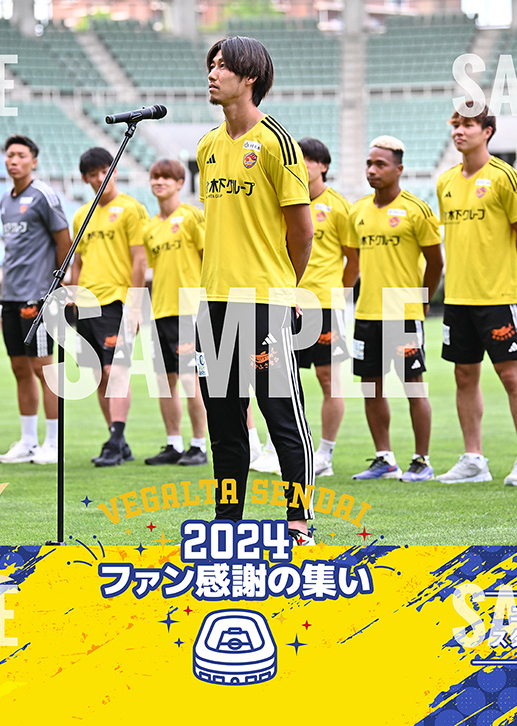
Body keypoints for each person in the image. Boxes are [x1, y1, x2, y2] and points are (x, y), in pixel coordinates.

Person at [197, 36, 315, 545]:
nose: (212, 73)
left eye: (223, 66)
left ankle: (299, 523)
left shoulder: (276, 143)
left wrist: (284, 289)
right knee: (224, 424)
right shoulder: (206, 146)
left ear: (250, 78)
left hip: (265, 302)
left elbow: (302, 231)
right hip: (213, 304)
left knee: (282, 417)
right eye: (211, 64)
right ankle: (227, 523)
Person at [436, 104, 517, 485]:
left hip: (498, 296)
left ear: (488, 131)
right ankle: (473, 459)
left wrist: (511, 275)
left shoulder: (506, 178)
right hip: (458, 298)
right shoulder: (445, 182)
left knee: (511, 375)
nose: (459, 131)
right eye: (455, 125)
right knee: (464, 376)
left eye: (468, 125)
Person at [250, 137, 357, 478]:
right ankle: (275, 449)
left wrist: (337, 294)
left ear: (323, 166)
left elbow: (353, 259)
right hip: (283, 302)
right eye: (298, 159)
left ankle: (325, 453)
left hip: (323, 305)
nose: (303, 165)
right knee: (277, 379)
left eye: (309, 160)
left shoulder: (338, 206)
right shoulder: (281, 200)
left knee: (328, 379)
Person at [347, 136, 443, 481]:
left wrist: (422, 300)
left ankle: (421, 460)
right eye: (369, 164)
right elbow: (353, 261)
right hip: (367, 313)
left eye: (380, 164)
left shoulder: (417, 210)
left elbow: (436, 263)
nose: (372, 170)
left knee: (413, 386)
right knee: (370, 387)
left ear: (399, 169)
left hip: (402, 312)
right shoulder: (357, 211)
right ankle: (384, 459)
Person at [69, 147, 148, 467]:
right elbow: (77, 261)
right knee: (97, 376)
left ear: (114, 172)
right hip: (87, 304)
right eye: (93, 174)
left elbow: (140, 260)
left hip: (117, 301)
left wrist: (136, 305)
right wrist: (73, 295)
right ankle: (118, 441)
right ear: (85, 179)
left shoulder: (131, 209)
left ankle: (115, 440)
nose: (100, 178)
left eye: (105, 171)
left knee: (114, 371)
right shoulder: (81, 214)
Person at [0, 135, 72, 466]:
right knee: (19, 368)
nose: (14, 160)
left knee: (44, 368)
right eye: (10, 155)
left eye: (21, 155)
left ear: (33, 161)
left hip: (37, 295)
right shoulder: (5, 199)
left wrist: (57, 285)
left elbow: (64, 240)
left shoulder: (43, 195)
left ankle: (53, 443)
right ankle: (28, 440)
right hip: (9, 295)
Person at [142, 158, 209, 467]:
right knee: (164, 381)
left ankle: (199, 445)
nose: (159, 182)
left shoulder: (192, 217)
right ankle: (173, 444)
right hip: (160, 311)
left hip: (189, 311)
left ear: (180, 183)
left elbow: (207, 259)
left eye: (166, 178)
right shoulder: (150, 227)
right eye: (155, 177)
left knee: (189, 379)